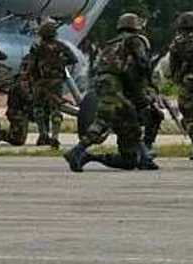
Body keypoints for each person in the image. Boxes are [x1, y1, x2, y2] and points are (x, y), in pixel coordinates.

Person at [63, 13, 158, 172]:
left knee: (130, 146)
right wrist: (148, 85)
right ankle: (77, 151)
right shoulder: (136, 40)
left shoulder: (111, 44)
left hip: (103, 83)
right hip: (113, 85)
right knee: (103, 120)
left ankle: (142, 157)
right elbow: (142, 65)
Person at [25, 19, 76, 148]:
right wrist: (60, 63)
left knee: (38, 109)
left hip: (41, 83)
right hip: (57, 82)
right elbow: (73, 59)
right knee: (56, 109)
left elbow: (31, 66)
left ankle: (43, 134)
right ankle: (55, 137)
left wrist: (28, 77)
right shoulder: (61, 46)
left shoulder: (37, 47)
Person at [168, 11, 193, 160]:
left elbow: (173, 67)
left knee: (187, 116)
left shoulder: (177, 43)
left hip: (187, 81)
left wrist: (176, 78)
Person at [0, 55, 32, 146]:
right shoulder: (21, 82)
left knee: (18, 139)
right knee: (18, 141)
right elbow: (26, 97)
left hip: (19, 112)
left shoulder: (18, 79)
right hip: (17, 113)